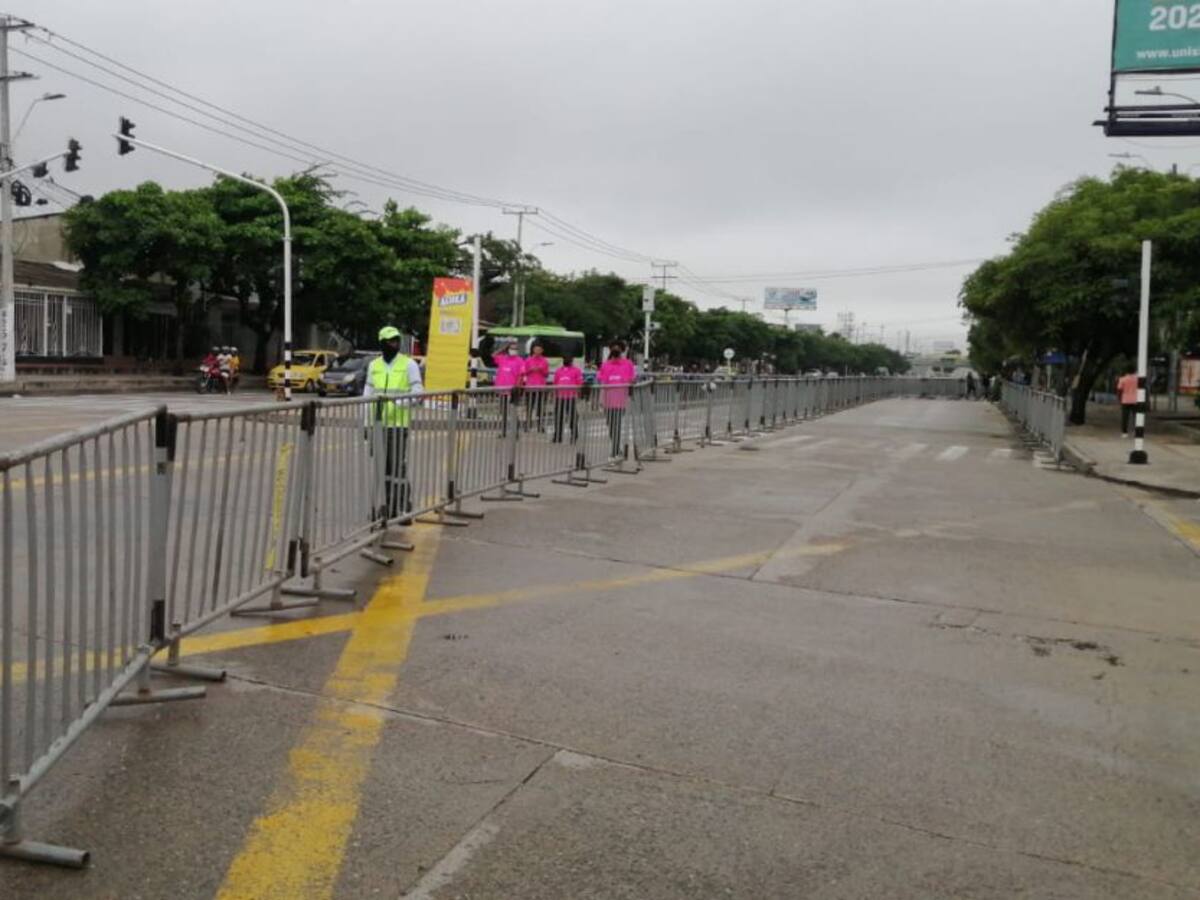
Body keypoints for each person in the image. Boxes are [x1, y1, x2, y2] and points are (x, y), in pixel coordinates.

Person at [364, 325, 423, 519]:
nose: (394, 344)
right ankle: (386, 504)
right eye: (390, 341)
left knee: (397, 466)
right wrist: (366, 423)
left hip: (398, 425)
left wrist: (398, 402)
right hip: (378, 425)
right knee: (383, 467)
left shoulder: (409, 364)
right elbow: (368, 395)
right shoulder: (374, 365)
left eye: (396, 340)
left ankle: (400, 505)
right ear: (382, 343)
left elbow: (418, 393)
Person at [597, 341, 637, 457]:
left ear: (622, 350)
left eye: (618, 348)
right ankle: (616, 447)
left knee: (616, 425)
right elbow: (600, 379)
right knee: (611, 425)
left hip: (620, 401)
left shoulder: (628, 364)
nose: (616, 350)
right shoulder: (606, 364)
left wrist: (631, 381)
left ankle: (614, 450)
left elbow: (632, 378)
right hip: (607, 401)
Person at [552, 354, 584, 443]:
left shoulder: (576, 370)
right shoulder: (558, 371)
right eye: (565, 358)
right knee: (558, 417)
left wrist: (580, 393)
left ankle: (574, 435)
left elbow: (580, 382)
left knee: (572, 417)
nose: (567, 359)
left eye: (568, 358)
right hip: (560, 397)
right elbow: (555, 383)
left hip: (571, 397)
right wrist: (553, 394)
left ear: (572, 360)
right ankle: (557, 436)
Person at [523, 341, 550, 430]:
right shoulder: (528, 360)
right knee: (529, 407)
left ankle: (540, 425)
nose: (537, 351)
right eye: (536, 349)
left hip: (541, 387)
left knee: (540, 408)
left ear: (542, 351)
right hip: (530, 387)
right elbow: (524, 373)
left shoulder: (545, 361)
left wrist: (541, 369)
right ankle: (527, 424)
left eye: (539, 349)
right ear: (533, 350)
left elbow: (546, 374)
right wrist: (531, 369)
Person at [1117, 368, 1139, 437]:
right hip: (1135, 400)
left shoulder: (1122, 379)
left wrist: (1119, 399)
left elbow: (1119, 390)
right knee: (1136, 417)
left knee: (1125, 417)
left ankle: (1124, 433)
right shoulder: (1138, 379)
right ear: (1134, 371)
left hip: (1125, 400)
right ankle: (1137, 432)